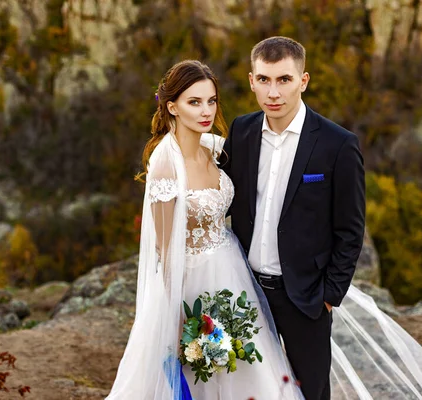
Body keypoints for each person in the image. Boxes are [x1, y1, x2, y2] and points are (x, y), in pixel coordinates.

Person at [220, 36, 422, 400]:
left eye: (284, 79)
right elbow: (222, 194)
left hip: (304, 297)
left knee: (311, 391)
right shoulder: (241, 131)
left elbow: (351, 228)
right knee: (248, 388)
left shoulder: (338, 144)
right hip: (247, 290)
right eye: (265, 79)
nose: (274, 92)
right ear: (252, 80)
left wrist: (329, 295)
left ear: (303, 81)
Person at [105, 59, 304, 400]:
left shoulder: (213, 147)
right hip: (191, 284)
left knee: (248, 366)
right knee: (203, 375)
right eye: (193, 102)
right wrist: (179, 318)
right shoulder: (166, 164)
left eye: (211, 101)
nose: (205, 110)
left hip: (232, 273)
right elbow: (164, 252)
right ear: (172, 107)